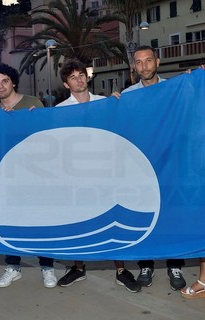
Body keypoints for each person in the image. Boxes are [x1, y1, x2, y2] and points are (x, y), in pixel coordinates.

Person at [55, 59, 141, 293]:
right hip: (76, 178)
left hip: (106, 174)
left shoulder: (106, 103)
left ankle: (121, 270)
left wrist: (120, 105)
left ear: (87, 76)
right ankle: (78, 267)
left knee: (112, 221)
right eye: (73, 77)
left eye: (81, 74)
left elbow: (123, 129)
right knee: (79, 223)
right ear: (66, 84)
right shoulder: (60, 110)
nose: (79, 79)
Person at [114, 45, 186, 291]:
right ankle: (146, 264)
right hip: (141, 167)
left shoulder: (172, 89)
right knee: (146, 213)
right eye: (138, 62)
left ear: (157, 61)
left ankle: (174, 264)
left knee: (171, 214)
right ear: (133, 66)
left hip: (170, 164)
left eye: (148, 60)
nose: (143, 66)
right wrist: (112, 107)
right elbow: (121, 128)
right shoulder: (128, 96)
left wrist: (195, 81)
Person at [0, 63, 57, 288]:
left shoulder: (32, 104)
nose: (0, 86)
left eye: (4, 81)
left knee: (41, 221)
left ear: (13, 82)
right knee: (10, 221)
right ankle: (13, 266)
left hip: (35, 176)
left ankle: (47, 267)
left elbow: (47, 137)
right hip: (7, 178)